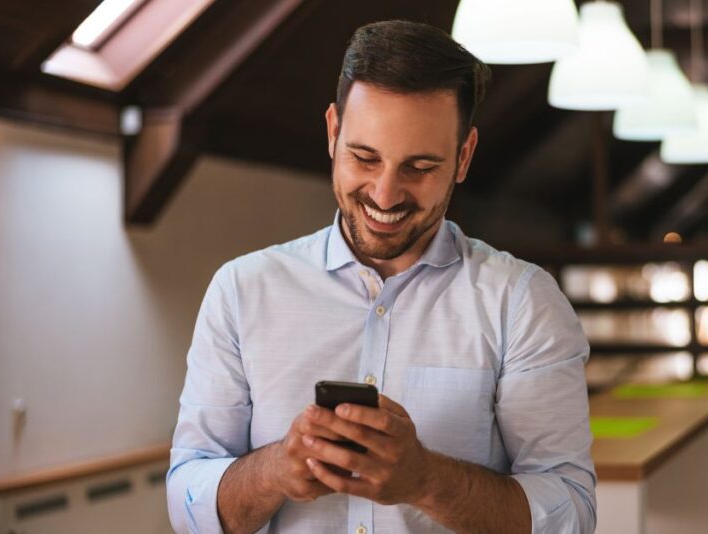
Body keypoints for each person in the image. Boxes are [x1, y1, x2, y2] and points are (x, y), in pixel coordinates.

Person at [165, 20, 596, 534]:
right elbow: (187, 499)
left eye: (419, 167)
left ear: (464, 157)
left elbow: (572, 513)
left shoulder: (523, 303)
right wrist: (276, 470)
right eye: (364, 157)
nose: (385, 195)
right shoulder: (240, 292)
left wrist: (427, 480)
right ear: (332, 131)